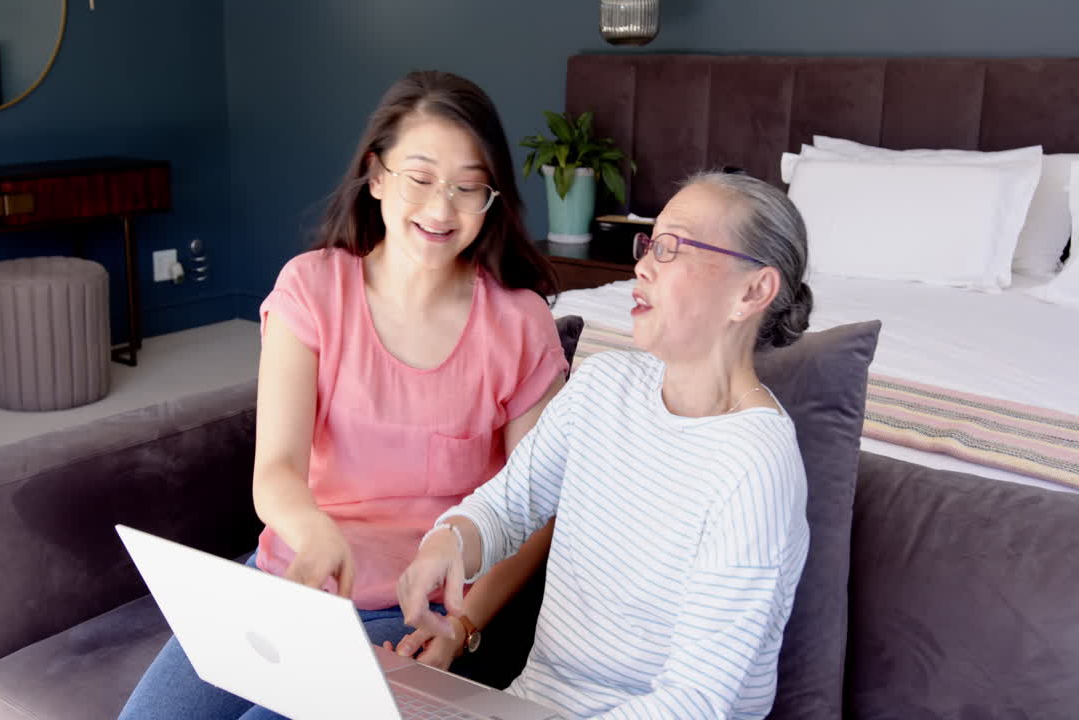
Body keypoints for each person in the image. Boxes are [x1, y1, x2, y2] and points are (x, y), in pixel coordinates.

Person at [118, 70, 569, 720]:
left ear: (492, 197)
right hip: (286, 582)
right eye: (420, 178)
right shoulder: (312, 289)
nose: (442, 209)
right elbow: (275, 470)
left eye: (468, 187)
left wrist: (464, 625)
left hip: (413, 613)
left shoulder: (519, 324)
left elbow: (535, 513)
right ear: (377, 175)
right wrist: (311, 530)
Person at [397, 171, 814, 718]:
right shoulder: (603, 385)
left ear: (753, 291)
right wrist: (448, 543)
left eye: (672, 247)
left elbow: (695, 702)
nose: (641, 265)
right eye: (649, 243)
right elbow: (506, 505)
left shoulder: (755, 461)